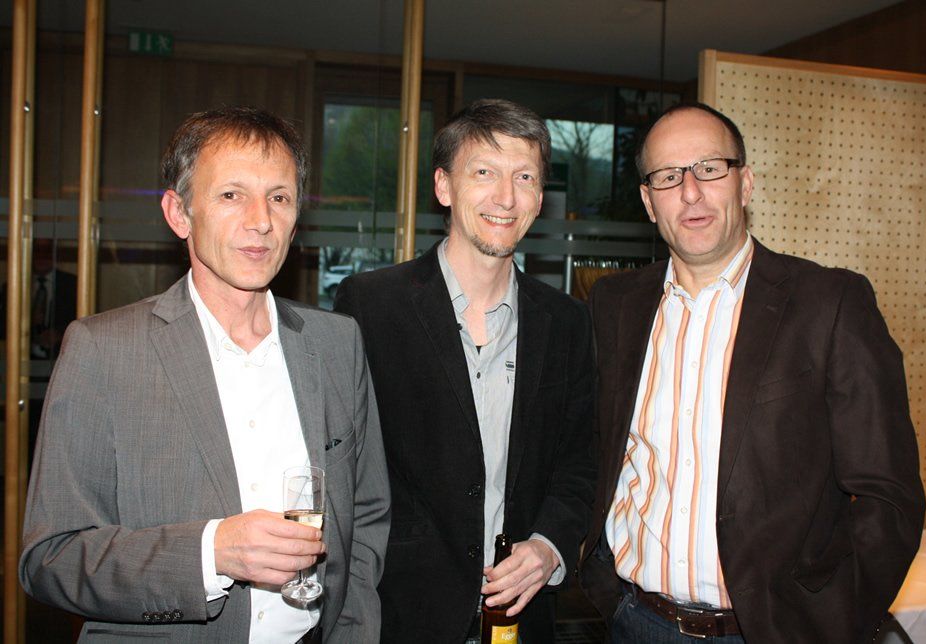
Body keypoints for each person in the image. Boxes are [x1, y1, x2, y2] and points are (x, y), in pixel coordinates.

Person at [19, 106, 390, 643]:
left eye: (279, 197)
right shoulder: (104, 351)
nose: (260, 220)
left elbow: (367, 516)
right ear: (179, 213)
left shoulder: (337, 344)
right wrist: (211, 553)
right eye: (231, 195)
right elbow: (51, 557)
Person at [578, 102, 926, 644]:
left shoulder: (829, 304)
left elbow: (889, 496)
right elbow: (597, 453)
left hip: (771, 632)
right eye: (668, 176)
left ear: (745, 184)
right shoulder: (615, 305)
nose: (690, 192)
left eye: (709, 168)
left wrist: (830, 621)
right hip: (634, 620)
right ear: (648, 202)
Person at [334, 98, 596, 643]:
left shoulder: (567, 321)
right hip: (402, 617)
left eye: (524, 177)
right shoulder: (371, 306)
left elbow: (579, 464)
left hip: (521, 619)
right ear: (443, 186)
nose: (506, 197)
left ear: (539, 197)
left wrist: (549, 546)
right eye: (484, 173)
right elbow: (345, 469)